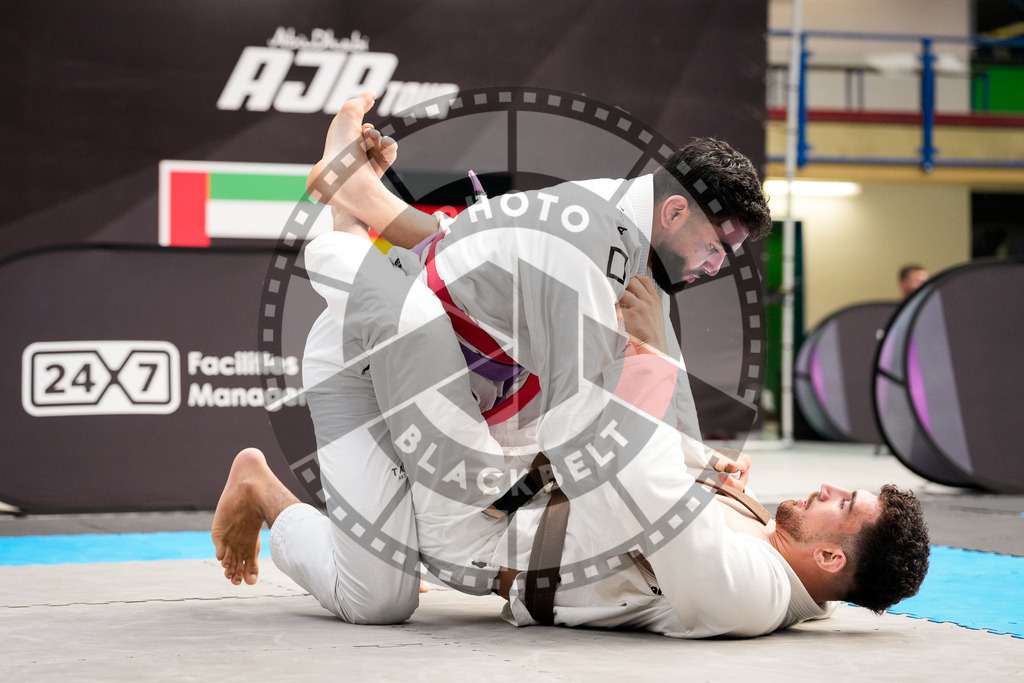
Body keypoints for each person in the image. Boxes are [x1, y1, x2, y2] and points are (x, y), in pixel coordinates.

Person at [213, 92, 930, 637]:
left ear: (832, 560)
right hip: (410, 375)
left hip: (473, 477)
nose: (718, 266)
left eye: (843, 503)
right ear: (675, 214)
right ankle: (344, 218)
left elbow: (629, 468)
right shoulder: (608, 246)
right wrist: (687, 437)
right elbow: (622, 438)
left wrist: (669, 404)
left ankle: (266, 484)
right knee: (429, 309)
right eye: (718, 247)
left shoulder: (752, 589)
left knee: (377, 600)